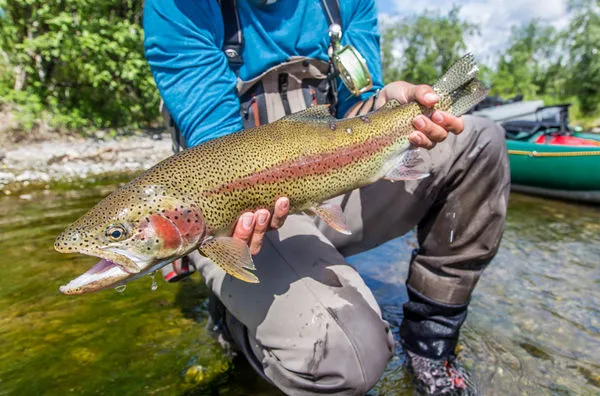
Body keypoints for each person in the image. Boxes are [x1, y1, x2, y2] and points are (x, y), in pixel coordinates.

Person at [143, 0, 510, 394]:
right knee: (343, 362)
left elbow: (356, 106)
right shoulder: (179, 6)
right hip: (238, 209)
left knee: (480, 139)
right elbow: (218, 149)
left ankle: (429, 345)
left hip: (338, 174)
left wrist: (389, 106)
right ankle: (242, 324)